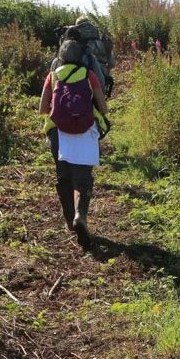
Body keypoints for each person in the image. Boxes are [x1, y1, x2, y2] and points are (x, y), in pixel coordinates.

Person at [40, 40, 110, 242]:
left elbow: (43, 109)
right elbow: (103, 108)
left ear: (60, 57)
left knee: (64, 177)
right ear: (82, 57)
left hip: (58, 133)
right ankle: (81, 216)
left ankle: (70, 220)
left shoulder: (53, 76)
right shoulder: (89, 75)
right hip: (85, 130)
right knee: (83, 177)